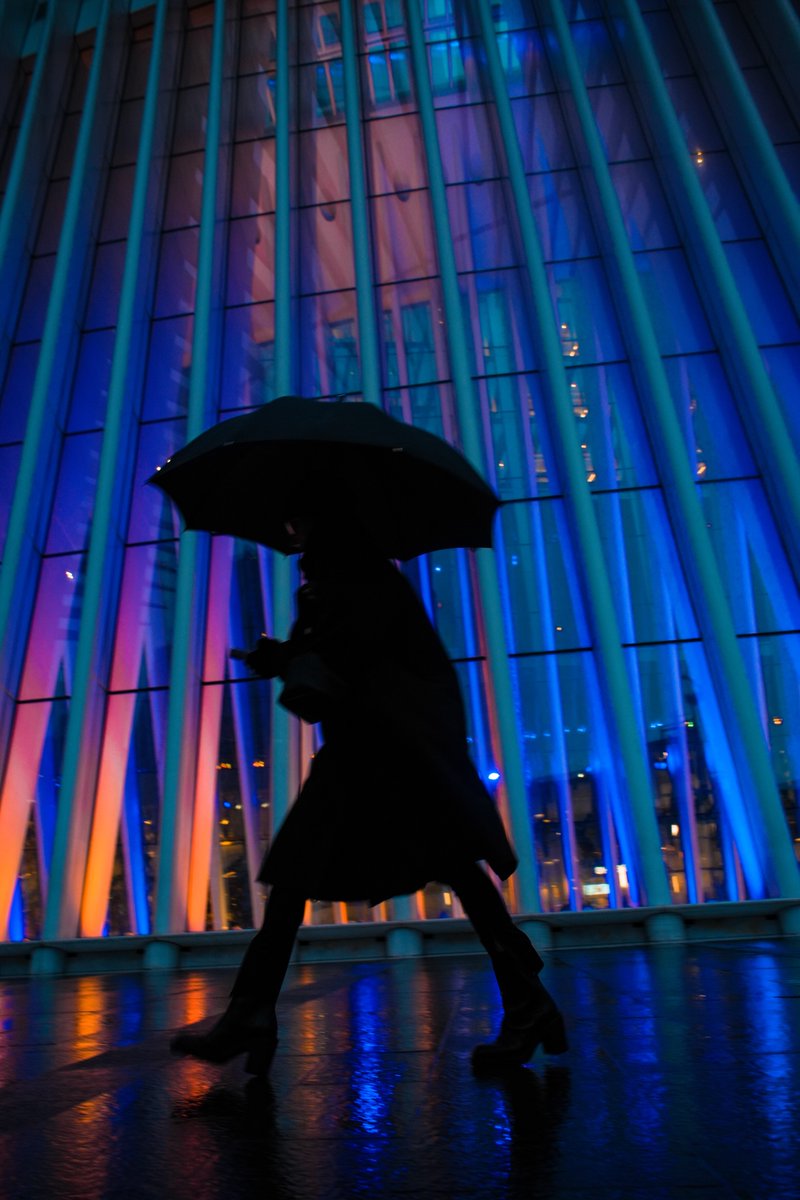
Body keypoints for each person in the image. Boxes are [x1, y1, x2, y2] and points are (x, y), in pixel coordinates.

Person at [171, 513, 566, 1074]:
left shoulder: (358, 587)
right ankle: (528, 1003)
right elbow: (346, 667)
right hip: (380, 753)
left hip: (381, 756)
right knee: (429, 867)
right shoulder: (355, 585)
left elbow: (350, 668)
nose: (295, 537)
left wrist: (282, 657)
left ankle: (251, 1013)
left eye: (303, 527)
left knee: (302, 874)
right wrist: (290, 651)